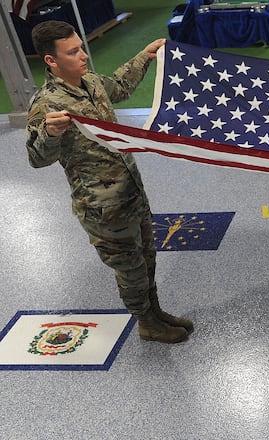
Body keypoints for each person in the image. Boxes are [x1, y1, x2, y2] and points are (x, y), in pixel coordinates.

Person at [25, 21, 193, 343]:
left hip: (130, 192)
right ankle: (147, 323)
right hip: (103, 207)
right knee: (130, 268)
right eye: (73, 52)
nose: (83, 55)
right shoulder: (47, 104)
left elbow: (119, 85)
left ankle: (155, 311)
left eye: (81, 46)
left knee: (146, 256)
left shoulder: (90, 82)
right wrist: (50, 134)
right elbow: (36, 158)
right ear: (51, 61)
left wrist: (145, 55)